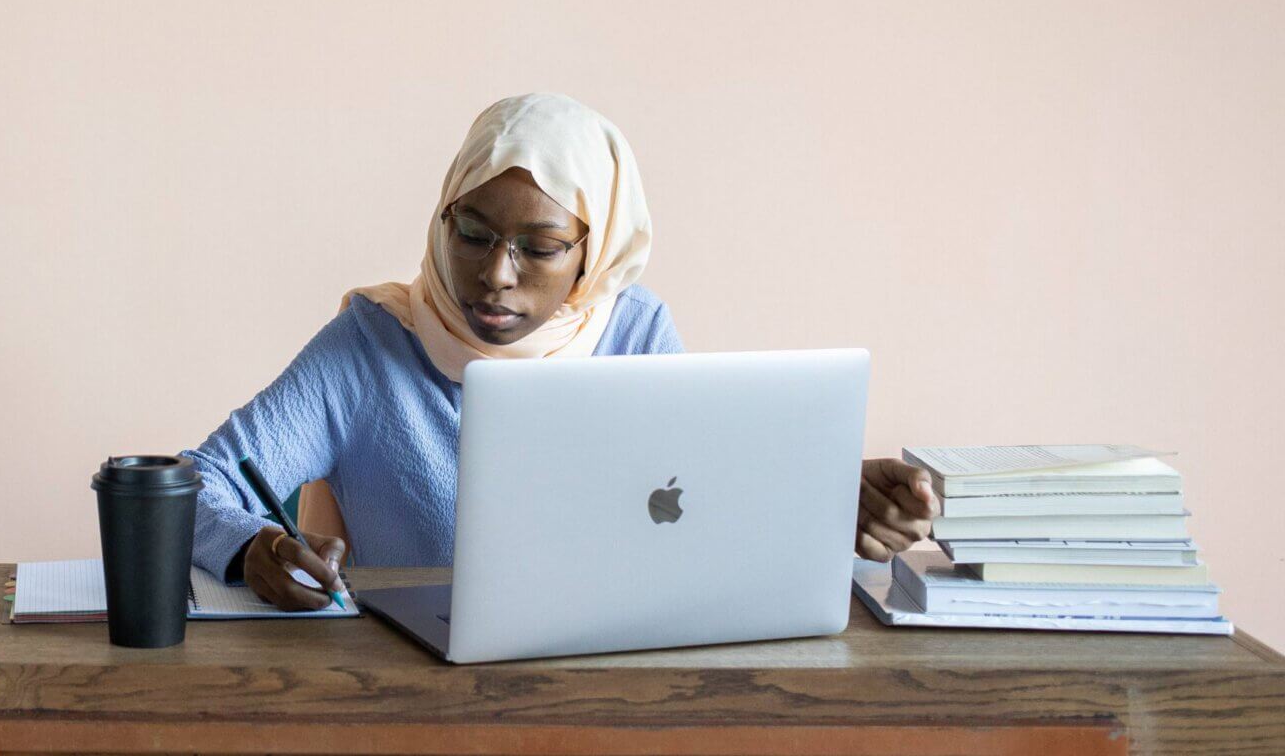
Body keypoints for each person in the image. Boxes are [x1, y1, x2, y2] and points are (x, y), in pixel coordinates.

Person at [179, 92, 935, 611]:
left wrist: (831, 502)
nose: (495, 275)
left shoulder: (636, 334)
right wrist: (253, 546)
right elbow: (193, 485)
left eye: (539, 248)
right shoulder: (371, 347)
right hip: (418, 699)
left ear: (591, 255)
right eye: (471, 234)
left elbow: (703, 505)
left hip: (614, 685)